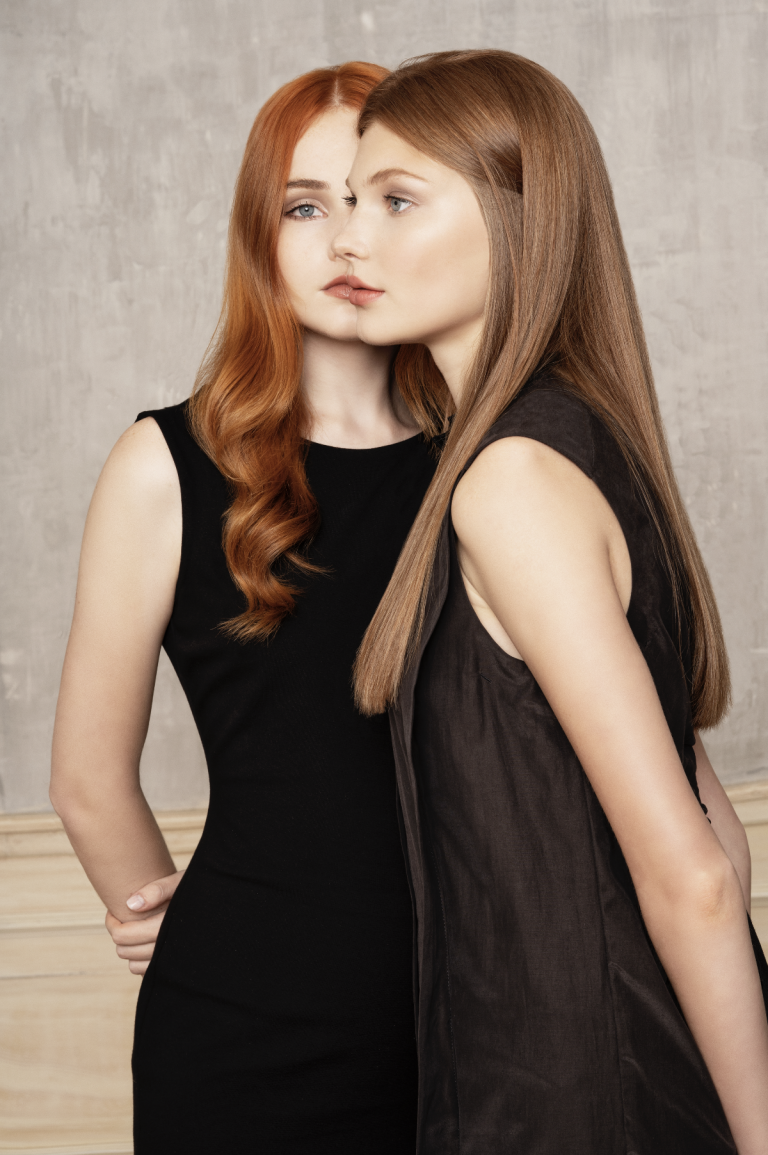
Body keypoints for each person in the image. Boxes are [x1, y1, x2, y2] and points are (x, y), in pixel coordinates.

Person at [340, 50, 768, 1154]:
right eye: (346, 200)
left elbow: (698, 876)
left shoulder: (513, 481)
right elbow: (718, 834)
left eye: (396, 200)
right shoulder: (576, 443)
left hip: (574, 1098)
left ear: (518, 218)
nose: (350, 237)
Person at [49, 62, 441, 1154]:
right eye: (305, 207)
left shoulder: (489, 468)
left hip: (476, 1018)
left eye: (378, 200)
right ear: (258, 237)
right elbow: (85, 778)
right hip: (244, 1029)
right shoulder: (164, 465)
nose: (346, 239)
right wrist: (163, 917)